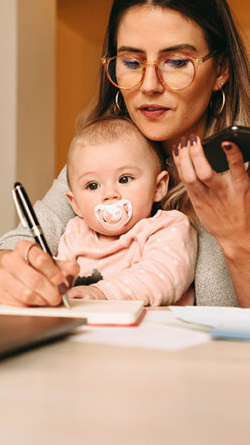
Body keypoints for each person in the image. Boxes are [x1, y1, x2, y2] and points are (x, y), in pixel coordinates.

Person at [0, 0, 250, 313]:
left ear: (221, 70)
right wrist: (6, 272)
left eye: (176, 62)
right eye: (132, 63)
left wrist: (240, 240)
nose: (149, 86)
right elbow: (12, 248)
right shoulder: (106, 152)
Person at [58, 116, 196, 306]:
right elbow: (60, 279)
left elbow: (160, 277)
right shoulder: (75, 232)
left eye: (124, 179)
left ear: (158, 188)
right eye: (92, 185)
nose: (109, 194)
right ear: (76, 205)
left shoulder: (167, 227)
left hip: (150, 331)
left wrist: (101, 293)